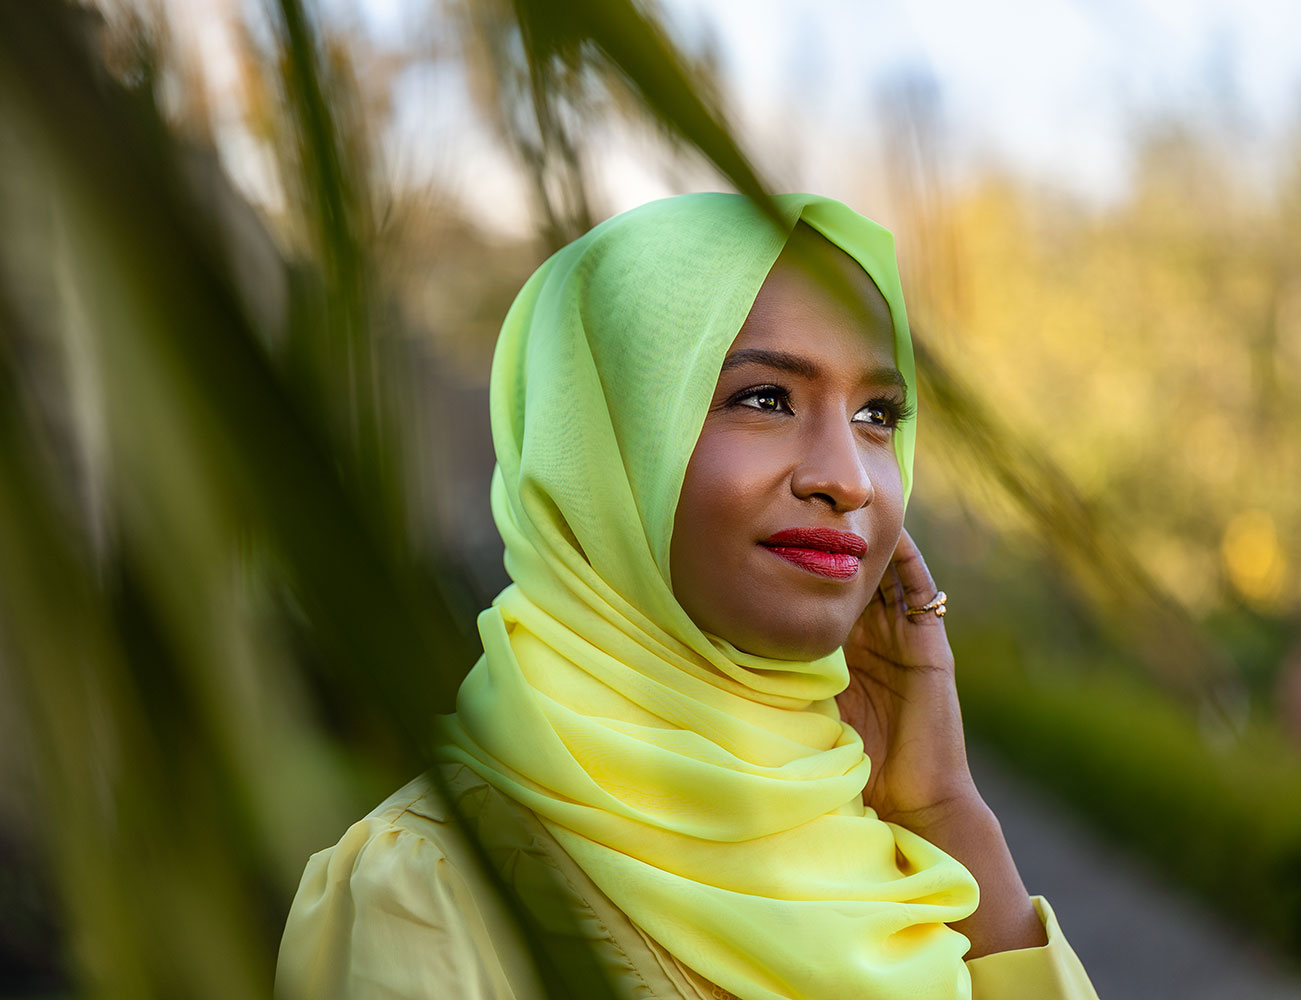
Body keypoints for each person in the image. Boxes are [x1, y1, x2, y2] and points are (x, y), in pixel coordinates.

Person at [277, 192, 1098, 1000]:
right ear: (606, 444)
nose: (848, 479)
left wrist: (943, 808)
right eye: (766, 399)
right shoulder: (429, 890)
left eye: (877, 414)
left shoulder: (896, 854)